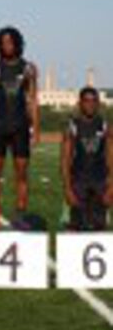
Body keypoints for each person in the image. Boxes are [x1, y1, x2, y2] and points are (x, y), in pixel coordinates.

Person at [0, 26, 40, 230]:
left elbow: (32, 100)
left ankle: (20, 216)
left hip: (20, 127)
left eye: (10, 42)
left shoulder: (28, 69)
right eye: (3, 42)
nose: (7, 45)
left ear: (17, 43)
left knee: (21, 174)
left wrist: (36, 129)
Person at [61, 87, 113, 230]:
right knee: (75, 226)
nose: (90, 104)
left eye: (94, 101)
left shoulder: (104, 125)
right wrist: (67, 188)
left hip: (100, 181)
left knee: (99, 226)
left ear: (98, 103)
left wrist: (111, 187)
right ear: (80, 103)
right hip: (78, 181)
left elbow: (111, 156)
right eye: (86, 101)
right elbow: (65, 160)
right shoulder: (72, 126)